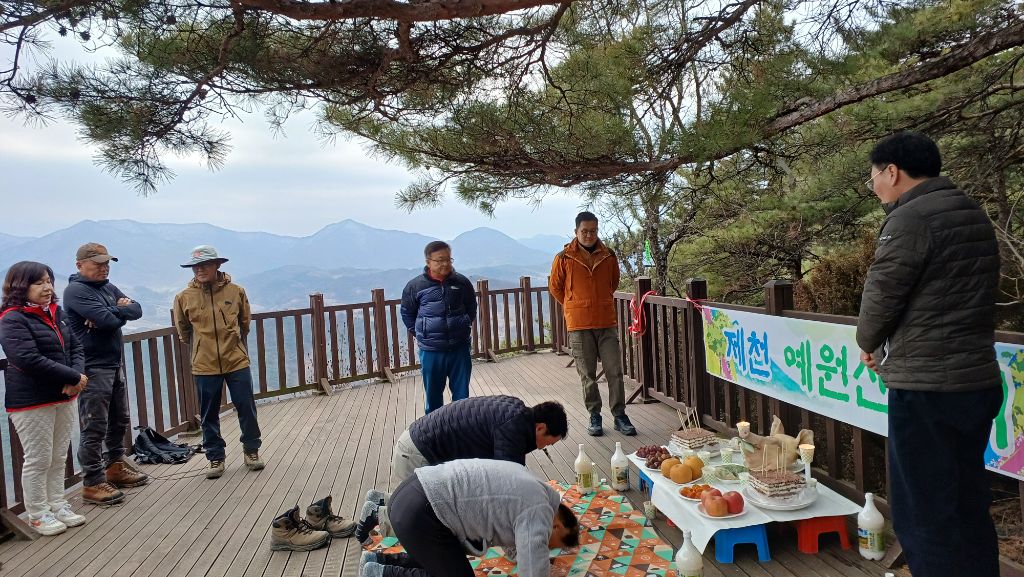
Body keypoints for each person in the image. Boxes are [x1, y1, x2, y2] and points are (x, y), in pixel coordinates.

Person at [856, 131, 1001, 577]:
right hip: (976, 379)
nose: (874, 186)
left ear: (892, 172)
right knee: (967, 502)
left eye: (873, 177)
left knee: (924, 511)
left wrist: (867, 341)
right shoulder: (971, 212)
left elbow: (882, 294)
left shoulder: (910, 219)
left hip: (926, 389)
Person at [355, 396, 569, 542]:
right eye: (548, 443)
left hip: (414, 444)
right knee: (429, 522)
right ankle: (378, 515)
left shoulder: (516, 413)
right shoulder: (513, 428)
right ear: (541, 427)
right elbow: (509, 489)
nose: (543, 448)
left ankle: (380, 499)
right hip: (418, 455)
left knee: (444, 506)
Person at [358, 459, 579, 577]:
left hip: (413, 491)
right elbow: (533, 566)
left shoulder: (535, 487)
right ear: (557, 526)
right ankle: (381, 574)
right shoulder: (539, 509)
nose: (545, 548)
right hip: (422, 510)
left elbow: (515, 545)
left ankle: (377, 562)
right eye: (551, 544)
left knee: (446, 559)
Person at [0, 262, 88, 535]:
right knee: (38, 458)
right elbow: (26, 358)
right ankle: (38, 514)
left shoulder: (56, 313)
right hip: (32, 401)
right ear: (20, 286)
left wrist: (76, 377)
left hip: (63, 396)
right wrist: (73, 377)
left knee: (58, 456)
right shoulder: (12, 318)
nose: (47, 287)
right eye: (39, 283)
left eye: (49, 281)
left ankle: (57, 504)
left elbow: (76, 347)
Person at [63, 243, 149, 506]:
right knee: (95, 425)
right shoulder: (76, 291)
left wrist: (111, 312)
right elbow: (111, 320)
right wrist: (117, 312)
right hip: (92, 367)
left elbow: (137, 310)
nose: (104, 268)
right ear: (80, 265)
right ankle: (92, 482)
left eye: (106, 263)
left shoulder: (108, 287)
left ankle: (114, 467)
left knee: (119, 419)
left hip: (112, 363)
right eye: (98, 263)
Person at [173, 245, 264, 479]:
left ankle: (251, 451)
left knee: (246, 407)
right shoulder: (183, 297)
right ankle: (215, 457)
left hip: (236, 360)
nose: (200, 270)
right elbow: (183, 330)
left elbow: (244, 322)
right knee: (208, 414)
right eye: (196, 266)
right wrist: (201, 347)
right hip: (204, 364)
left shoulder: (236, 291)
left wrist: (233, 342)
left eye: (205, 265)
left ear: (217, 265)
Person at [549, 211, 636, 437]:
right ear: (576, 231)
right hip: (579, 325)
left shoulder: (608, 255)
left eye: (593, 231)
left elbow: (613, 282)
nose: (589, 235)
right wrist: (573, 304)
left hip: (606, 321)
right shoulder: (564, 258)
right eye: (584, 231)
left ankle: (619, 415)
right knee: (587, 374)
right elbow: (555, 287)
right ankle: (594, 415)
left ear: (597, 231)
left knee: (614, 371)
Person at [400, 241, 477, 414]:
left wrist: (464, 323)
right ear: (428, 262)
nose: (445, 264)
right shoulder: (415, 286)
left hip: (460, 348)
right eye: (440, 260)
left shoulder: (462, 282)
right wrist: (422, 333)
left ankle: (461, 427)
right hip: (431, 351)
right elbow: (407, 313)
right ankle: (434, 428)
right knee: (433, 398)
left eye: (448, 259)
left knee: (462, 398)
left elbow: (471, 307)